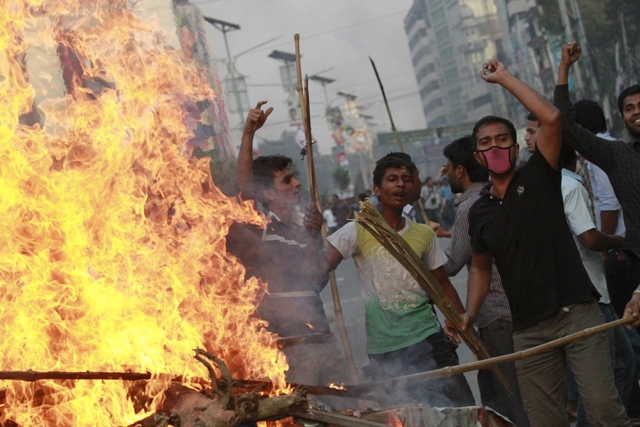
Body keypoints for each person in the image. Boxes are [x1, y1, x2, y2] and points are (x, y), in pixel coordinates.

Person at [463, 57, 628, 426]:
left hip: (577, 315)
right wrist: (468, 314)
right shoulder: (480, 211)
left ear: (517, 147)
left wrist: (504, 78)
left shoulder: (540, 176)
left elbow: (552, 118)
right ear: (478, 157)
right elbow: (480, 266)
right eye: (485, 144)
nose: (494, 148)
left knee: (603, 410)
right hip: (528, 331)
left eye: (502, 140)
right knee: (545, 421)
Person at [322, 155, 475, 408]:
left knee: (458, 410)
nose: (400, 185)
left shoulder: (423, 233)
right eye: (392, 179)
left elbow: (441, 284)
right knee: (404, 416)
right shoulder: (357, 230)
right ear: (377, 190)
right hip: (385, 348)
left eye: (405, 179)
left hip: (428, 339)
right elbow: (320, 269)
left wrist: (459, 319)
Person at [227, 101, 349, 398]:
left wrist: (311, 236)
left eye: (294, 177)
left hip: (323, 343)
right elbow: (245, 190)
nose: (297, 184)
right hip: (290, 352)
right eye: (287, 180)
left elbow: (313, 280)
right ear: (267, 193)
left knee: (351, 411)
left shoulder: (301, 226)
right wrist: (248, 134)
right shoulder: (260, 227)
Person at [440, 136, 529, 426]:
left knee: (510, 395)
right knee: (496, 392)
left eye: (450, 166)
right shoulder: (493, 195)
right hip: (508, 309)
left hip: (496, 314)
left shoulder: (467, 208)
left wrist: (422, 253)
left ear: (461, 171)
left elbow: (452, 265)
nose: (446, 171)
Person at [559, 144, 634, 426]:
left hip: (585, 291)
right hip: (589, 294)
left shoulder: (553, 185)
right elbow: (589, 238)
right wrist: (620, 242)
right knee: (608, 375)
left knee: (619, 366)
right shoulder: (569, 186)